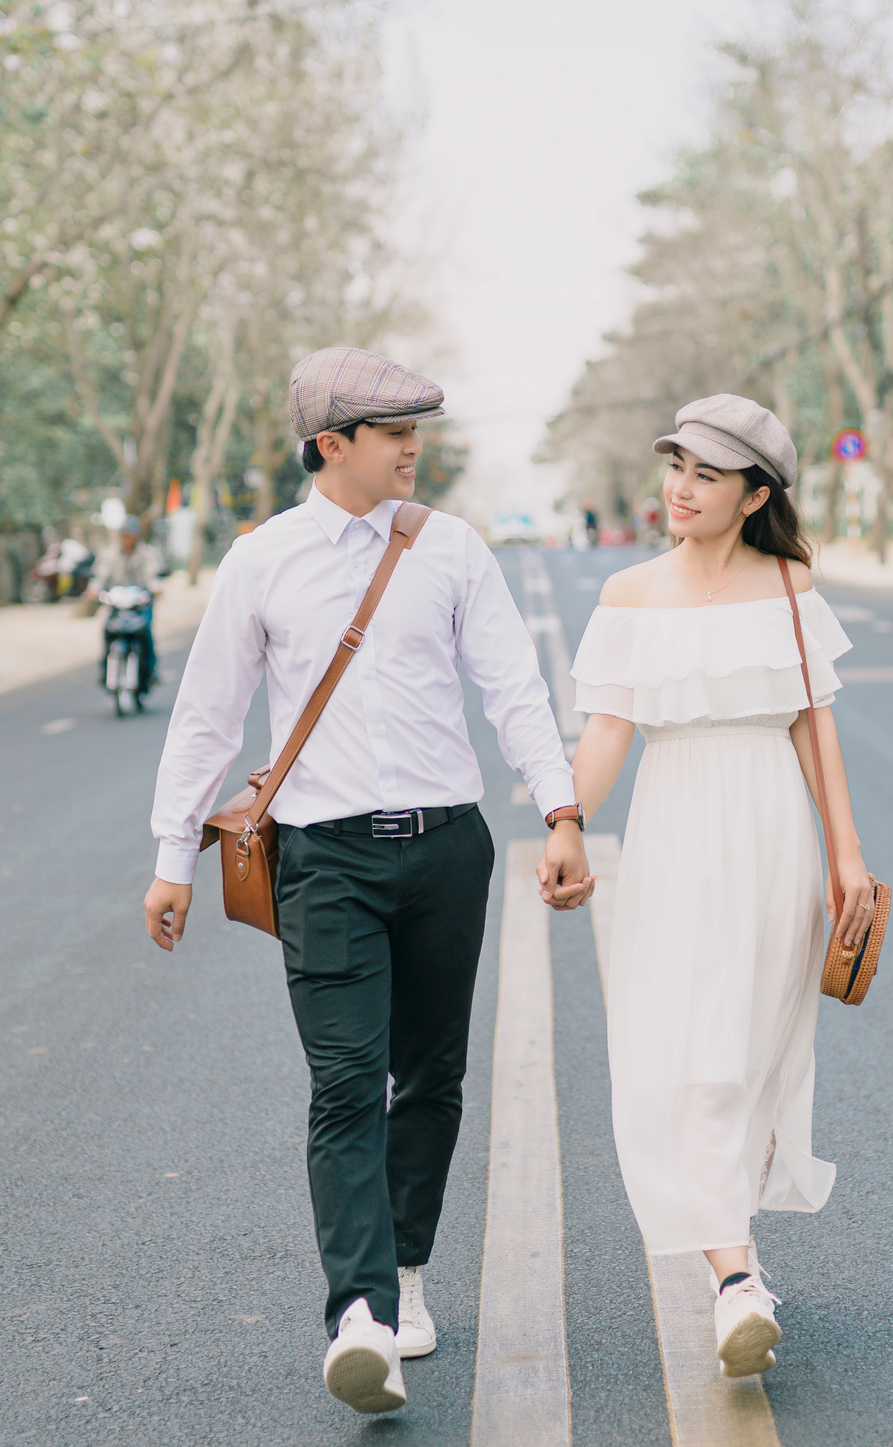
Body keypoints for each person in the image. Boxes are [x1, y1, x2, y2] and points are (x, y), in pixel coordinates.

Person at [140, 346, 595, 1417]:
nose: (414, 448)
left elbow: (513, 688)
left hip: (447, 848)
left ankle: (404, 1273)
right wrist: (171, 858)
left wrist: (560, 808)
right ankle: (358, 1315)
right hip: (324, 857)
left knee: (430, 1075)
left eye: (416, 430)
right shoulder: (260, 560)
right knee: (346, 1080)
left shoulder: (451, 550)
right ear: (330, 445)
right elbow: (207, 714)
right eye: (395, 432)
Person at [564, 393, 878, 1380]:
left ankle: (732, 1250)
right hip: (671, 829)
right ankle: (734, 1276)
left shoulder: (788, 585)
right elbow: (606, 731)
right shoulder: (627, 593)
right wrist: (564, 821)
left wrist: (847, 857)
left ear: (753, 494)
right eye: (675, 468)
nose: (680, 489)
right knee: (687, 1044)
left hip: (773, 830)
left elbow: (812, 728)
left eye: (706, 474)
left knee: (750, 1044)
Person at [91, 516, 164, 687]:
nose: (127, 539)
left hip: (139, 602)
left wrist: (155, 587)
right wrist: (94, 589)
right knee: (107, 631)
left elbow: (153, 575)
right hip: (117, 602)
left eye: (130, 535)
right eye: (124, 535)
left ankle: (151, 668)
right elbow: (100, 576)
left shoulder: (147, 554)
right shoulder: (110, 554)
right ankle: (105, 668)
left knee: (145, 631)